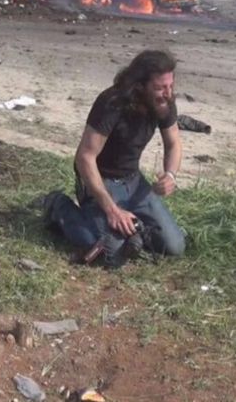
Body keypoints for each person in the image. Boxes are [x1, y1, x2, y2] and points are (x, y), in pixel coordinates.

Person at [42, 49, 186, 266]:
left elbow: (174, 141)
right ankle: (58, 205)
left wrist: (171, 175)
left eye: (170, 86)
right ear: (140, 86)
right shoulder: (112, 103)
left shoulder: (164, 102)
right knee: (108, 253)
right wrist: (112, 210)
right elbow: (85, 157)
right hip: (100, 181)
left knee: (174, 246)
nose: (167, 93)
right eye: (159, 87)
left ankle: (132, 229)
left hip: (133, 180)